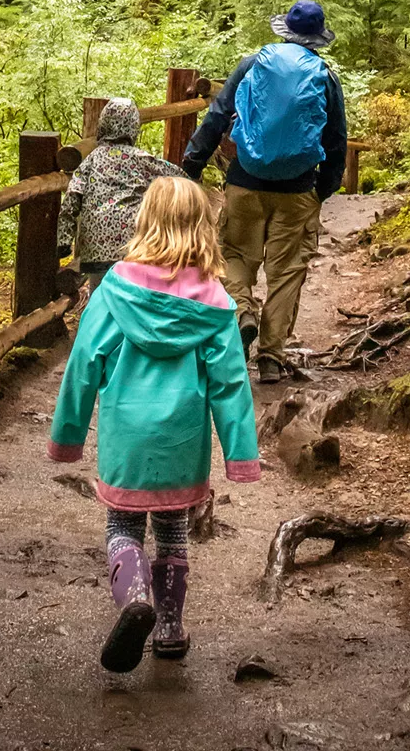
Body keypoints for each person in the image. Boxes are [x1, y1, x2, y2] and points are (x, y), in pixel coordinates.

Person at [46, 176, 260, 673]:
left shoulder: (116, 287)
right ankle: (167, 628)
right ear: (203, 227)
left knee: (122, 524)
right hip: (183, 439)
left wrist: (68, 436)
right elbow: (230, 384)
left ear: (146, 221)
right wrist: (240, 456)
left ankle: (135, 599)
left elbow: (84, 362)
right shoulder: (215, 301)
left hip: (127, 436)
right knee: (172, 532)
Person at [182, 0, 347, 385]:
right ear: (317, 39)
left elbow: (218, 115)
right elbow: (337, 139)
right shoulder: (325, 75)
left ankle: (242, 313)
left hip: (245, 182)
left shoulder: (252, 64)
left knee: (235, 254)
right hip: (298, 189)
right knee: (287, 272)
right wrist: (322, 189)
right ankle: (271, 357)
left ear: (284, 29)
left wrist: (192, 163)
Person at [56, 97, 181, 291]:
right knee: (130, 294)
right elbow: (177, 176)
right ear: (133, 127)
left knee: (99, 294)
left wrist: (64, 240)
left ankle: (98, 319)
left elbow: (73, 196)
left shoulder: (91, 159)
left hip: (95, 247)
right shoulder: (141, 159)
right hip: (131, 247)